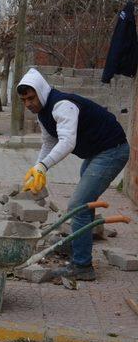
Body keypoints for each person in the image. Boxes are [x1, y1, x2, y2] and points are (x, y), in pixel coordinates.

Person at [17, 68, 129, 281]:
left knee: (78, 204)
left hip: (112, 151)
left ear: (40, 92)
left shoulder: (62, 105)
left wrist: (44, 166)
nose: (28, 104)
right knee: (83, 203)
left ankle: (82, 266)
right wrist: (36, 168)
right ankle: (77, 245)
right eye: (24, 100)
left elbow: (67, 142)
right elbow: (49, 142)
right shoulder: (43, 113)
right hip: (97, 152)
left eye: (31, 98)